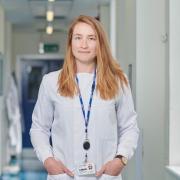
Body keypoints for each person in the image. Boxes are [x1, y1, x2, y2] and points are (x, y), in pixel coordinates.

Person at [30, 15, 139, 180]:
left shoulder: (117, 81)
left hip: (104, 175)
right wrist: (48, 161)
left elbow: (129, 127)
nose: (84, 44)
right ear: (70, 43)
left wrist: (120, 160)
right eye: (78, 38)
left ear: (100, 43)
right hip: (65, 175)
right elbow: (39, 128)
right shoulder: (51, 82)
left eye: (91, 38)